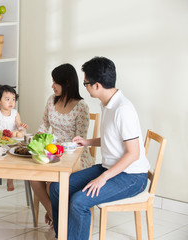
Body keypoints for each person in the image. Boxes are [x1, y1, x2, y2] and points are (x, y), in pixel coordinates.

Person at [49, 57, 150, 239]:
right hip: (110, 168)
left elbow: (133, 153)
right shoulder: (107, 105)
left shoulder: (123, 110)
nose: (85, 87)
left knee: (79, 201)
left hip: (132, 176)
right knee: (57, 187)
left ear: (97, 85)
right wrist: (86, 142)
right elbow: (112, 139)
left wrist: (103, 178)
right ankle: (62, 235)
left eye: (86, 83)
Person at [30, 63, 94, 228]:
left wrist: (62, 150)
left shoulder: (81, 107)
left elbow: (80, 140)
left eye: (55, 82)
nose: (52, 86)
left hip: (74, 156)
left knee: (53, 183)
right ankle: (53, 211)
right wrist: (37, 139)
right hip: (51, 153)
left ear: (67, 83)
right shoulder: (51, 100)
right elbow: (44, 125)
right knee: (33, 177)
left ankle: (59, 220)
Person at [0, 85, 28, 191]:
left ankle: (10, 180)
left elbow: (18, 125)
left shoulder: (15, 113)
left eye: (13, 99)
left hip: (12, 142)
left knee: (13, 156)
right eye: (7, 99)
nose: (11, 102)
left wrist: (21, 127)